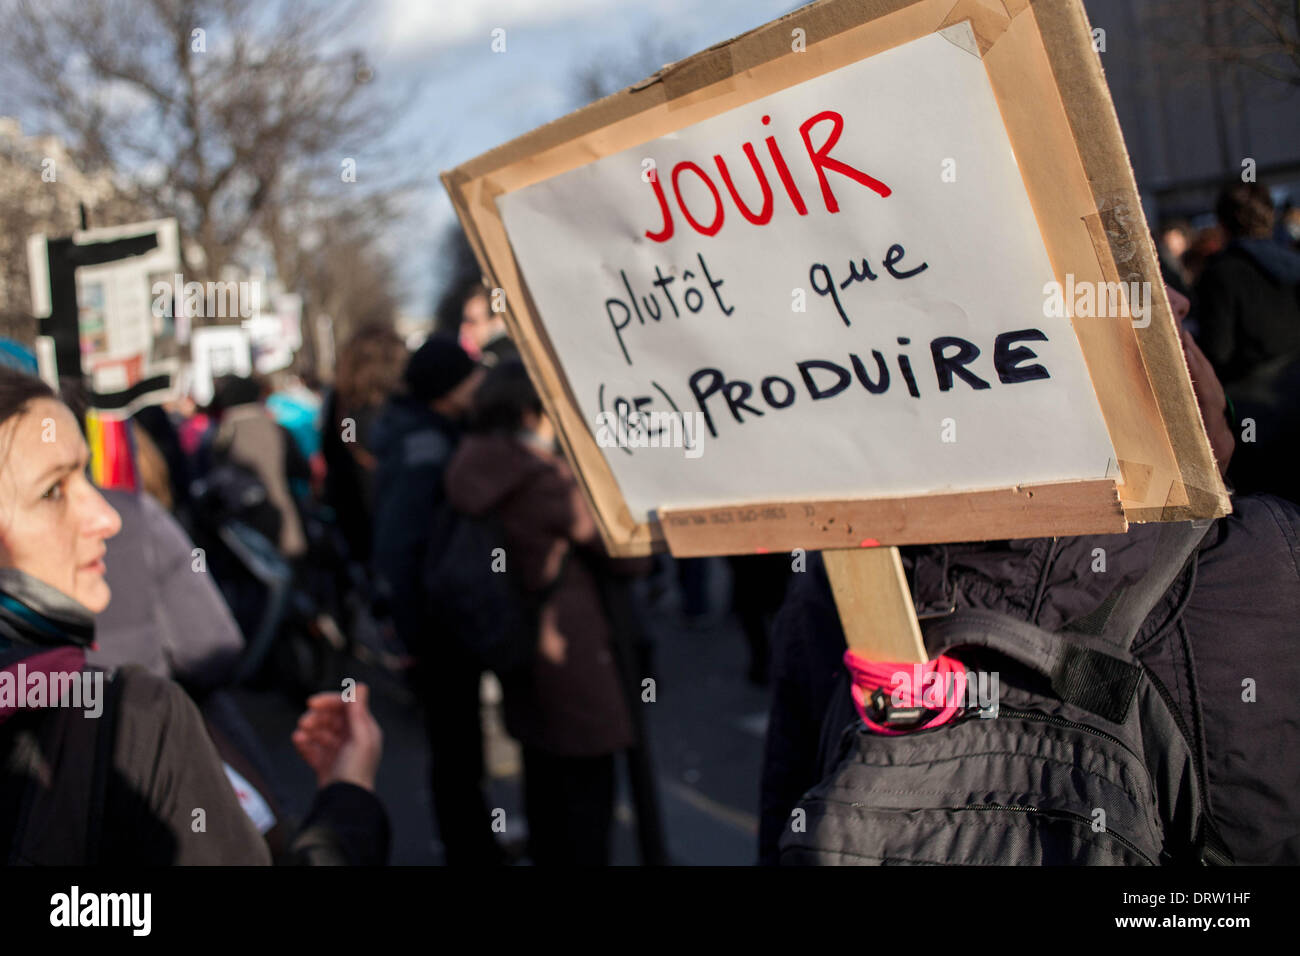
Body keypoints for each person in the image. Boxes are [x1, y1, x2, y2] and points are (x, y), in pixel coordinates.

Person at [758, 288, 1299, 866]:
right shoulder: (1256, 562)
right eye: (1127, 268)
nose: (1180, 301)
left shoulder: (845, 568)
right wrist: (1206, 450)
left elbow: (786, 820)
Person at [0, 366, 388, 865]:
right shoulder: (134, 725)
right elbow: (213, 648)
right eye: (52, 491)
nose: (108, 517)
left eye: (86, 474)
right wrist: (348, 796)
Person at [444, 359, 642, 865]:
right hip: (569, 651)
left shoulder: (471, 462)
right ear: (532, 412)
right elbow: (629, 552)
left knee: (545, 778)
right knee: (587, 796)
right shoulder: (542, 477)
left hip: (521, 645)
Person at [369, 335, 490, 864]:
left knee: (457, 745)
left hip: (439, 617)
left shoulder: (427, 431)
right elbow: (401, 543)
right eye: (470, 376)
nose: (479, 383)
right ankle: (470, 848)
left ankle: (474, 840)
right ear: (448, 388)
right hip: (439, 624)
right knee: (456, 747)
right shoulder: (427, 447)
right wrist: (414, 631)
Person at [321, 323, 407, 564]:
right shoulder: (403, 407)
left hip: (355, 518)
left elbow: (330, 457)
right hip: (400, 516)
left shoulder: (339, 405)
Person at [458, 282, 518, 366]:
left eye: (472, 321)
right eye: (464, 320)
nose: (463, 328)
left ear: (497, 321)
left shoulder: (503, 359)